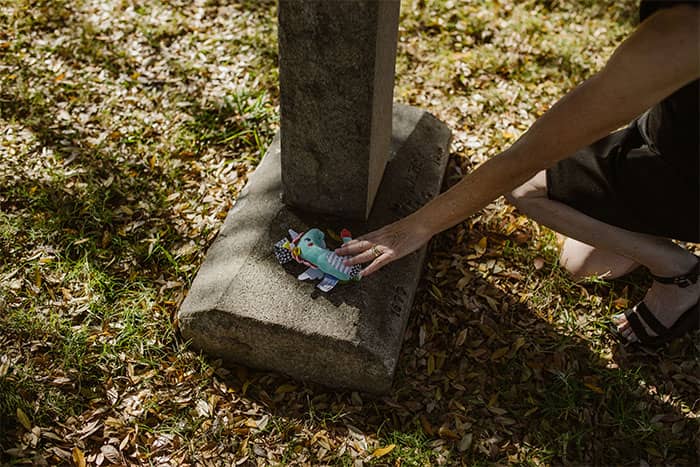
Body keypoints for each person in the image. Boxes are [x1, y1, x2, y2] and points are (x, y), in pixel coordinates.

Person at [336, 0, 700, 347]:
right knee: (585, 263)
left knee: (526, 186)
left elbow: (526, 159)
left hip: (683, 170)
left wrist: (417, 226)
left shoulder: (685, 31)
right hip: (673, 135)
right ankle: (657, 228)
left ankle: (680, 273)